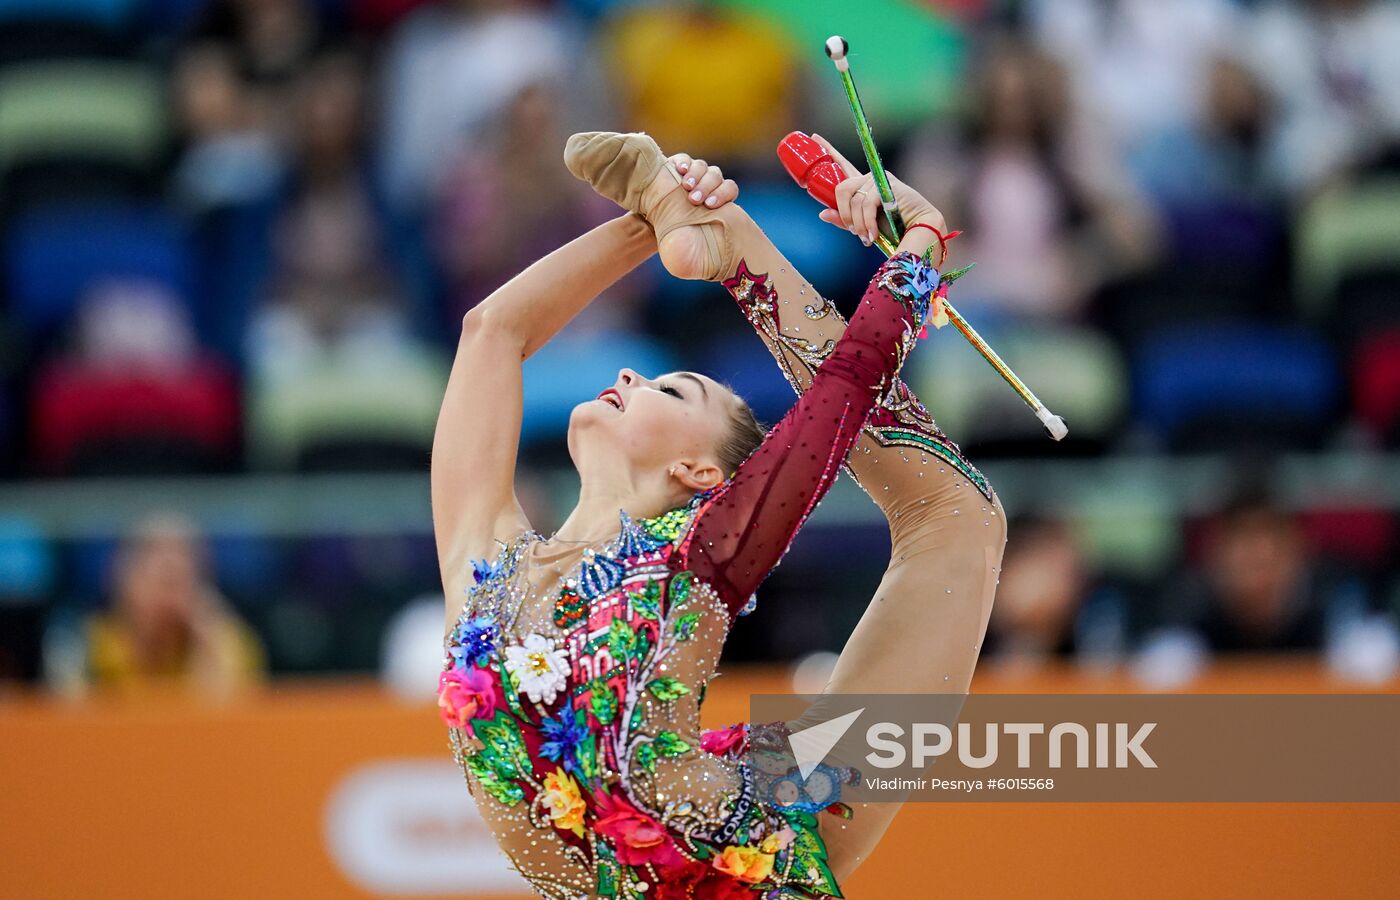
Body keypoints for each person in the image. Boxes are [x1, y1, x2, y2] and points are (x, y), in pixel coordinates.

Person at [433, 131, 1005, 897]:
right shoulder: (485, 560)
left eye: (672, 391)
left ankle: (736, 252)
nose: (631, 372)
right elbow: (491, 333)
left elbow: (843, 389)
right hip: (746, 807)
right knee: (962, 516)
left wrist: (925, 244)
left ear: (699, 473)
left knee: (961, 516)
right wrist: (654, 214)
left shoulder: (695, 554)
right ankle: (722, 243)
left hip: (767, 843)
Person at [69, 515, 266, 698]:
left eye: (179, 578)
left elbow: (232, 720)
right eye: (159, 577)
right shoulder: (85, 644)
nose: (170, 563)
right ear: (122, 576)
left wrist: (208, 647)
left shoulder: (226, 640)